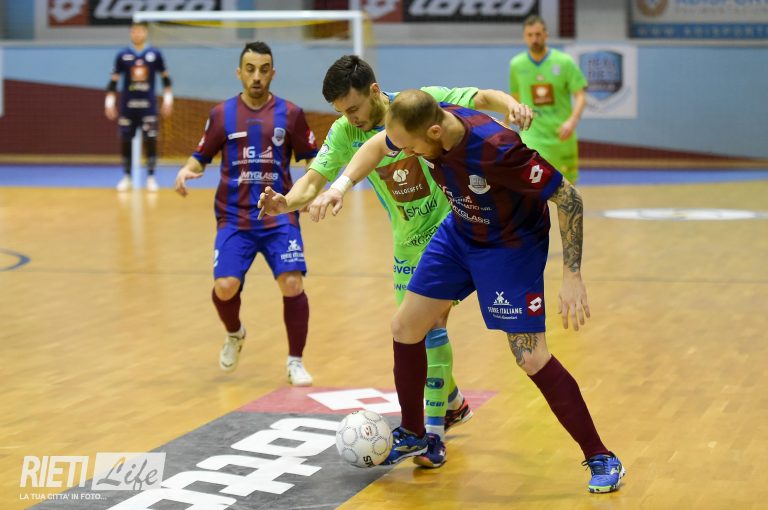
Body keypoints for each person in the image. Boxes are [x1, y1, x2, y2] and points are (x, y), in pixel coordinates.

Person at [310, 89, 625, 493]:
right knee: (406, 327)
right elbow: (376, 146)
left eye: (411, 148)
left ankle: (601, 456)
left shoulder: (498, 149)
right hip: (461, 232)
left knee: (530, 357)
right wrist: (340, 186)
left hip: (511, 246)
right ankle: (414, 432)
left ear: (435, 131)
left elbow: (569, 198)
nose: (406, 154)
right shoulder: (419, 125)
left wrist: (572, 275)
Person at [258, 55, 533, 468]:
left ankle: (431, 436)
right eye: (342, 112)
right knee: (412, 334)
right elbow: (314, 180)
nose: (350, 118)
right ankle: (452, 403)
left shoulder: (418, 106)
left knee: (432, 327)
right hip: (406, 245)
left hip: (452, 232)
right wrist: (286, 202)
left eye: (354, 108)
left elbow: (481, 96)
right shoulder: (346, 132)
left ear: (374, 91)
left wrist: (511, 105)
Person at [174, 41, 317, 386]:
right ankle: (235, 333)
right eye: (250, 69)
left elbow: (312, 157)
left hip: (279, 215)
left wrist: (314, 188)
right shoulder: (221, 114)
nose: (257, 76)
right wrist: (187, 170)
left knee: (292, 282)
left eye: (263, 70)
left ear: (273, 73)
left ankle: (295, 362)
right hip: (234, 216)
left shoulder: (291, 113)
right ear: (239, 72)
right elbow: (201, 155)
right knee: (225, 287)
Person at [509, 15, 587, 184]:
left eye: (538, 34)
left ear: (546, 35)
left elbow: (581, 96)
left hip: (561, 135)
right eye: (530, 35)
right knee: (532, 186)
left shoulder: (564, 62)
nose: (534, 39)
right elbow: (514, 99)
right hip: (532, 135)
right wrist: (507, 122)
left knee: (568, 189)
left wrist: (572, 121)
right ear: (524, 37)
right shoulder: (517, 64)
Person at [105, 21, 173, 192]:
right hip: (128, 106)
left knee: (151, 140)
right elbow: (113, 81)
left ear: (146, 33)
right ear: (131, 33)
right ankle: (127, 177)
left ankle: (151, 177)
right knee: (126, 141)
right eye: (134, 31)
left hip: (148, 106)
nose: (137, 34)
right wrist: (109, 103)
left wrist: (168, 100)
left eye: (140, 31)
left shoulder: (155, 53)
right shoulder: (122, 55)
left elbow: (166, 78)